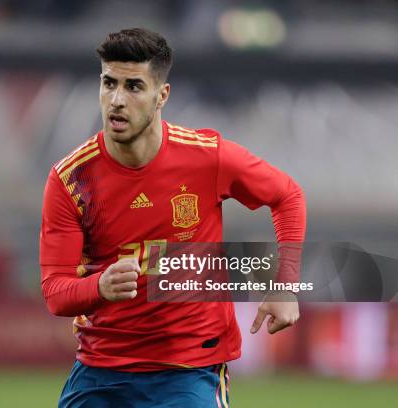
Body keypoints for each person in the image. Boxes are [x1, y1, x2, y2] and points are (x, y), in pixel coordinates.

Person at [39, 28, 306, 407]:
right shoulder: (71, 180)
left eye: (133, 87)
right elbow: (55, 292)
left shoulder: (207, 157)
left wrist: (285, 285)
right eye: (108, 83)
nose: (116, 100)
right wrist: (99, 287)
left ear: (161, 95)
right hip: (102, 369)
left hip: (189, 369)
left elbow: (287, 195)